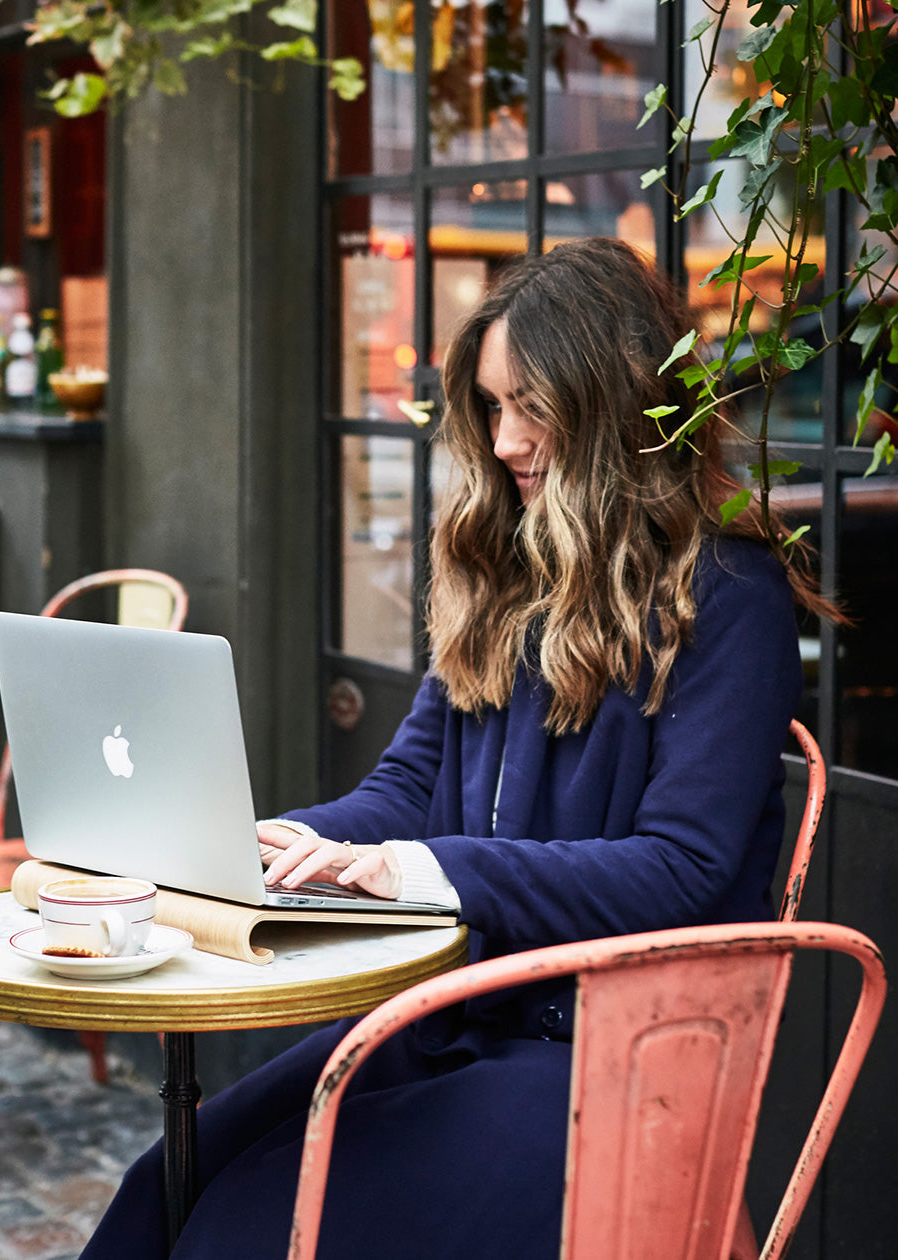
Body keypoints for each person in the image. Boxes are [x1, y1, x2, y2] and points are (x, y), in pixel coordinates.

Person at [78, 238, 824, 1259]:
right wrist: (279, 843)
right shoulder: (509, 574)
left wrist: (417, 871)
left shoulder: (729, 599)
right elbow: (410, 785)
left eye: (534, 407)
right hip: (462, 1018)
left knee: (241, 1234)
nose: (506, 439)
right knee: (167, 1182)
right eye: (489, 407)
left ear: (612, 408)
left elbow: (682, 869)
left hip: (607, 1060)